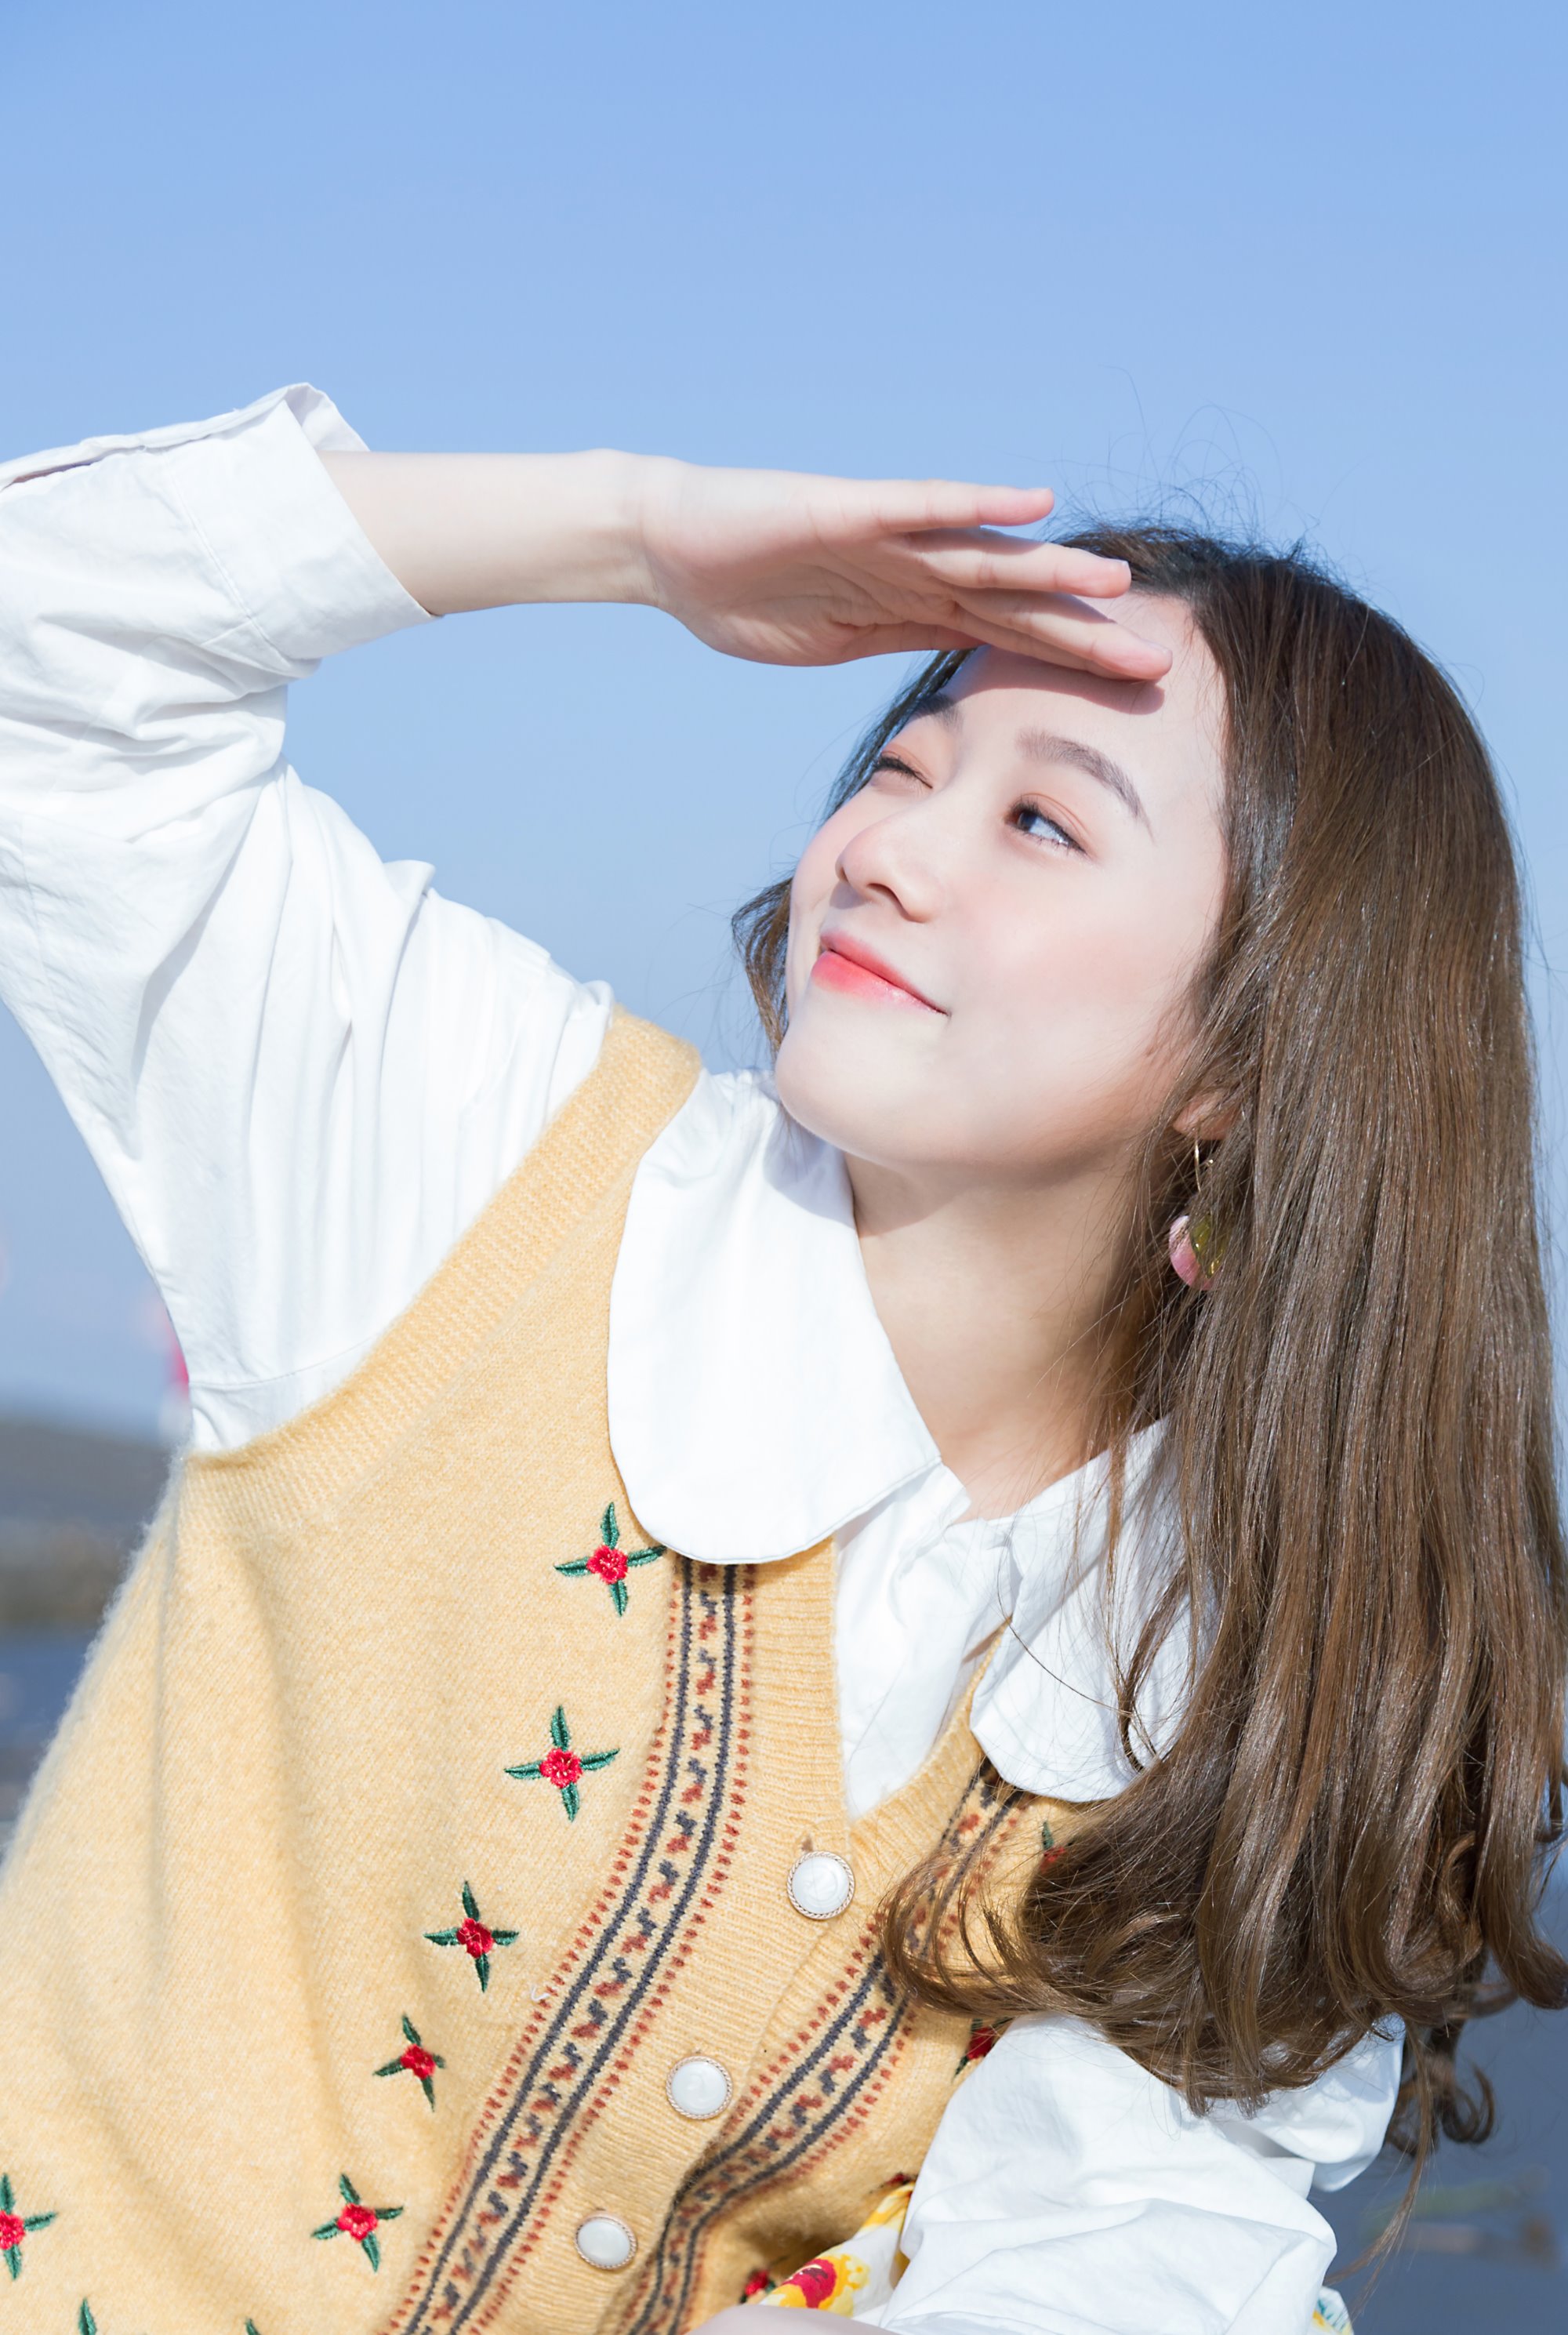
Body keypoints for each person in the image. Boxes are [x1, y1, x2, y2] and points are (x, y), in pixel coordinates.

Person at [0, 384, 1560, 2335]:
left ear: (1254, 1053)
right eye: (901, 764)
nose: (888, 848)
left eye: (1041, 819)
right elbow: (41, 644)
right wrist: (633, 528)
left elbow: (1120, 2270)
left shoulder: (1238, 1674)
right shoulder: (475, 1163)